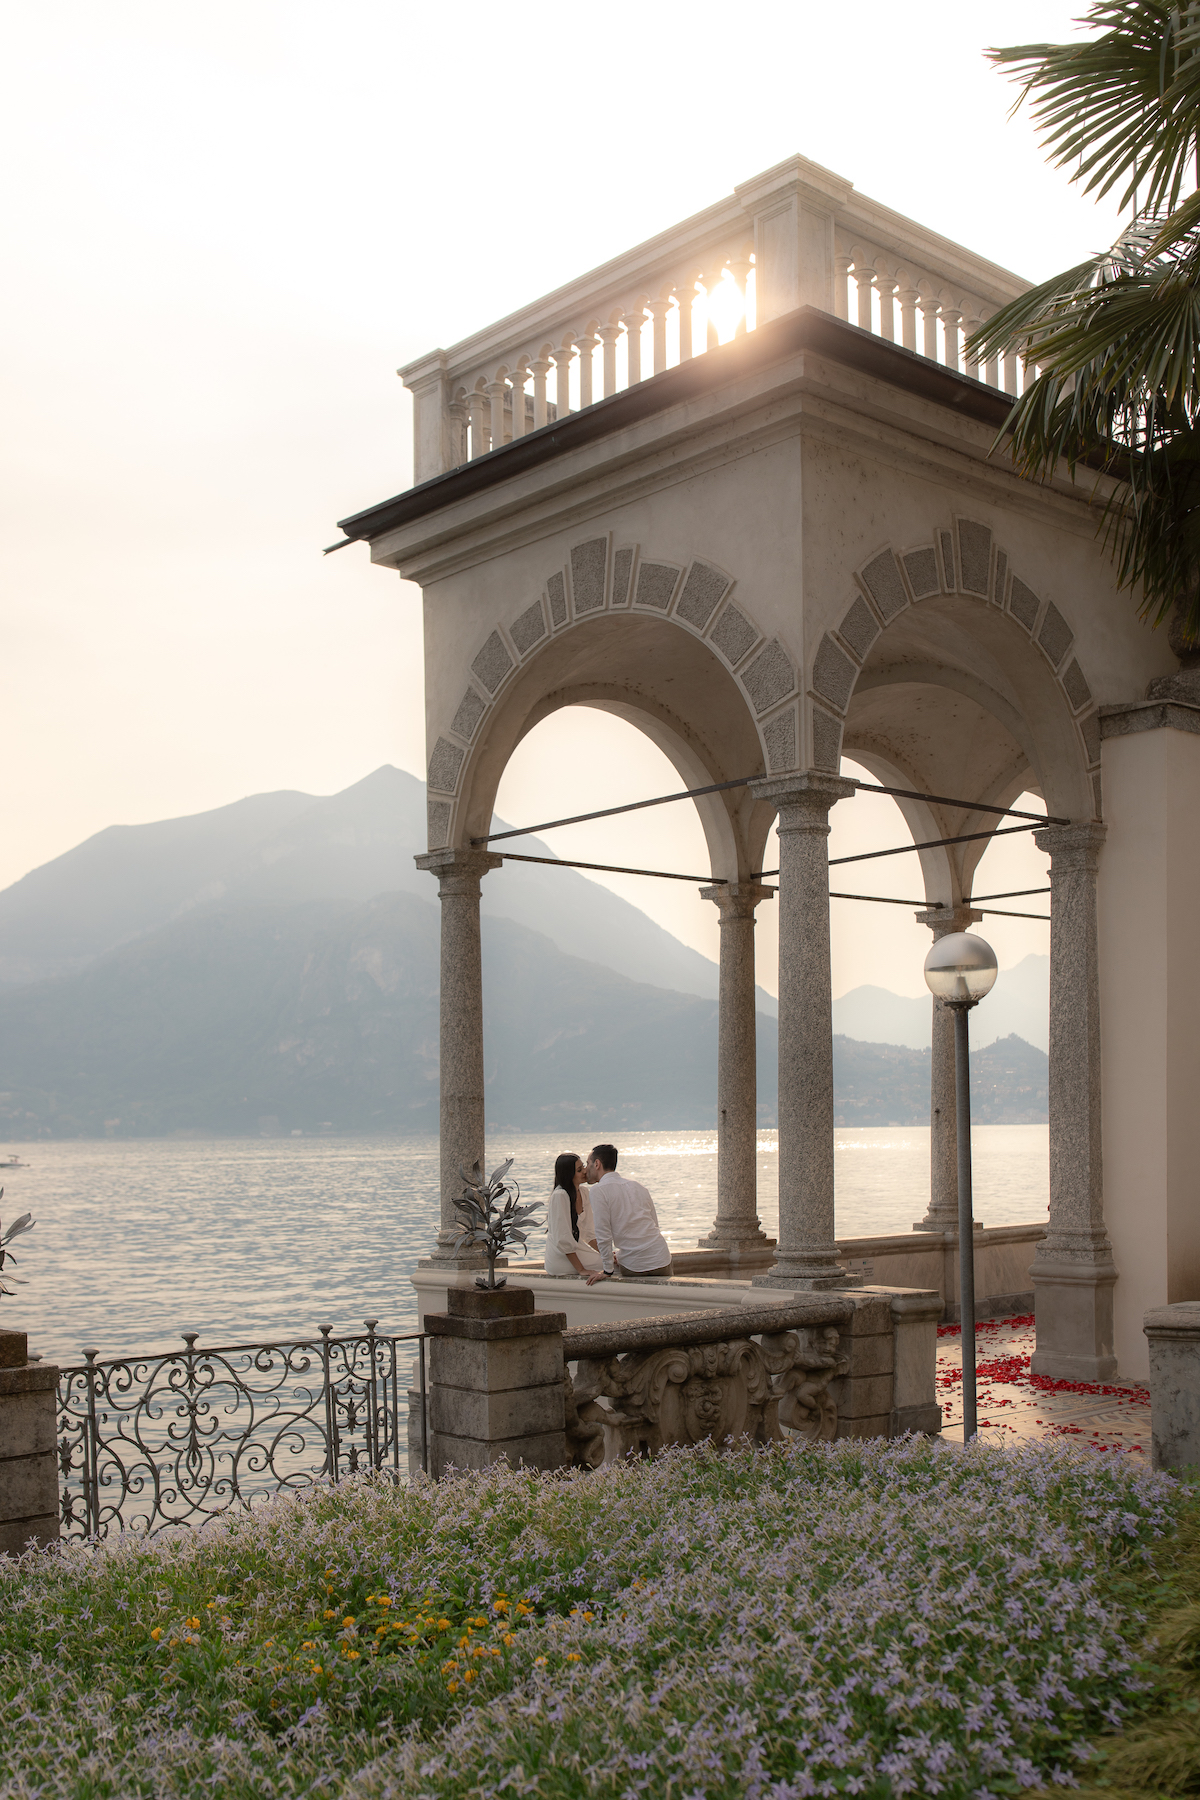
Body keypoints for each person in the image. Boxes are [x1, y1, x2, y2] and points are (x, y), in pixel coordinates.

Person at [584, 1144, 673, 1284]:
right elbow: (654, 1224)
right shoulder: (638, 1186)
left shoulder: (598, 1190)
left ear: (597, 1164)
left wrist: (607, 1270)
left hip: (635, 1265)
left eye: (587, 1163)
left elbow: (603, 1233)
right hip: (661, 1258)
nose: (586, 1169)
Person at [544, 1152, 603, 1277]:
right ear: (568, 1174)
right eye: (579, 1170)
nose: (585, 1171)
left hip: (577, 1249)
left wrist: (606, 1254)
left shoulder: (584, 1192)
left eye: (583, 1167)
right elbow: (563, 1239)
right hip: (561, 1257)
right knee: (612, 1267)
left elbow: (589, 1233)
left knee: (615, 1261)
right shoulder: (560, 1195)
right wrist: (581, 1270)